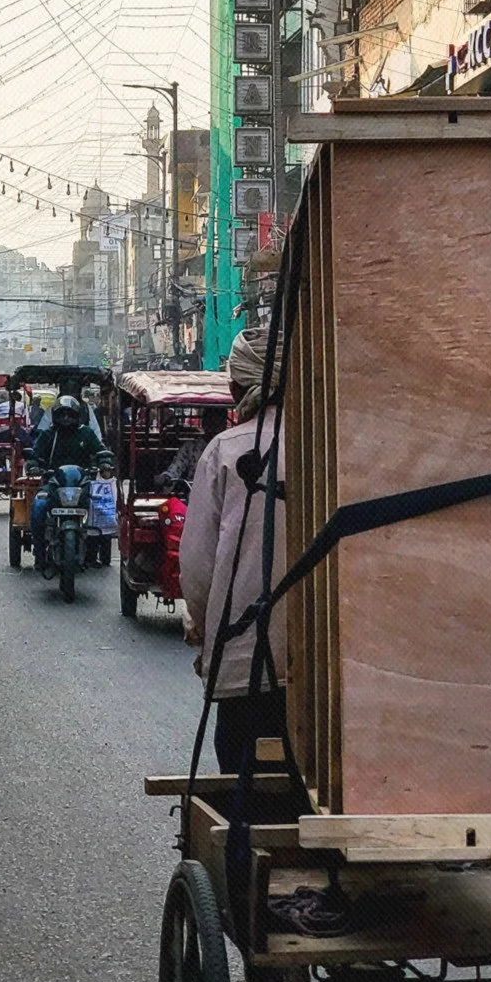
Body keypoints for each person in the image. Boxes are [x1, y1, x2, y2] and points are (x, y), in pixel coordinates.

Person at [178, 327, 289, 774]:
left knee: (245, 792)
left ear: (236, 390)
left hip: (248, 666)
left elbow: (198, 568)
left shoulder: (225, 450)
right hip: (334, 672)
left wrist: (203, 630)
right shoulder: (331, 442)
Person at [28, 396, 103, 559]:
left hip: (82, 484)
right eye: (62, 414)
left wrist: (105, 462)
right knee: (38, 507)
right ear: (55, 416)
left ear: (77, 416)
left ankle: (96, 547)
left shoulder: (86, 433)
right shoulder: (48, 435)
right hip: (53, 483)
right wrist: (33, 465)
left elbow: (100, 451)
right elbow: (34, 455)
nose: (66, 418)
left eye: (70, 414)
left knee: (101, 506)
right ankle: (39, 552)